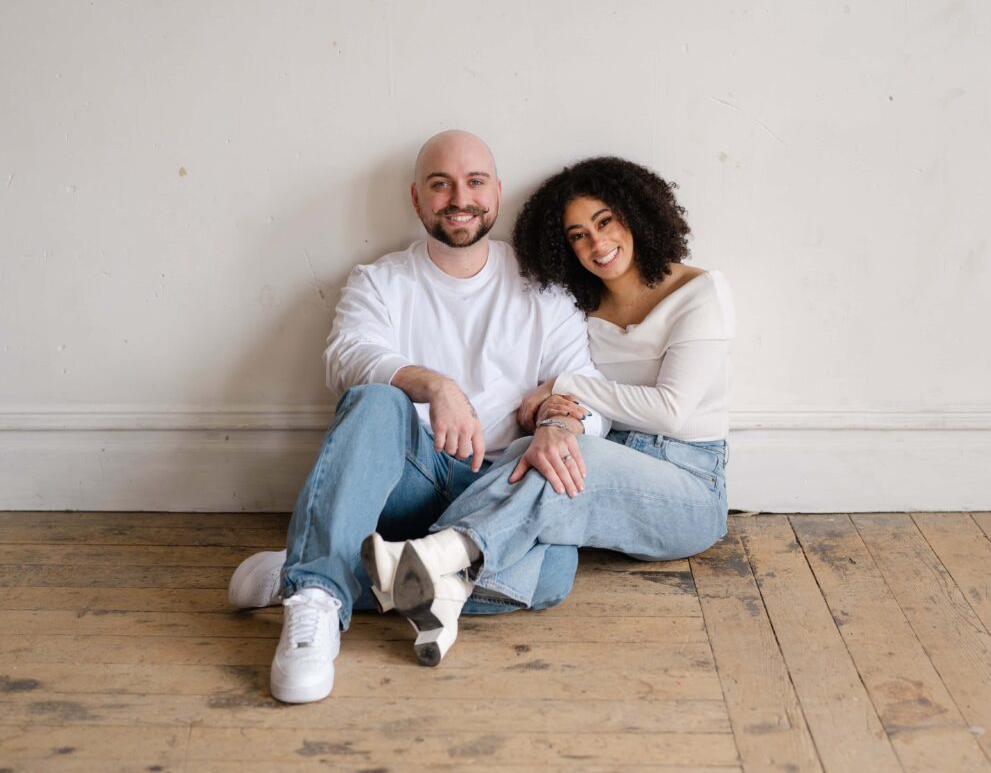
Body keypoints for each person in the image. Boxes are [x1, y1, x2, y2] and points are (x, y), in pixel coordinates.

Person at [227, 130, 610, 704]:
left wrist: (559, 423)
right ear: (416, 199)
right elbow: (345, 359)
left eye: (475, 182)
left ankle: (311, 566)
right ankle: (313, 607)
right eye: (441, 184)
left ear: (497, 193)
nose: (461, 197)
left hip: (496, 487)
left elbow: (590, 394)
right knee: (376, 398)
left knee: (554, 572)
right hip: (408, 479)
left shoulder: (543, 287)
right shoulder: (381, 281)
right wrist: (432, 384)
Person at [364, 156, 734, 666]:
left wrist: (564, 384)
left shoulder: (699, 293)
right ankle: (444, 589)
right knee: (536, 457)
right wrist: (558, 410)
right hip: (602, 464)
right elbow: (575, 408)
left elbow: (669, 411)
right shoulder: (583, 305)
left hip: (690, 485)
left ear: (637, 215)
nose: (596, 244)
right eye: (578, 235)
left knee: (565, 455)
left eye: (605, 222)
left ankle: (425, 556)